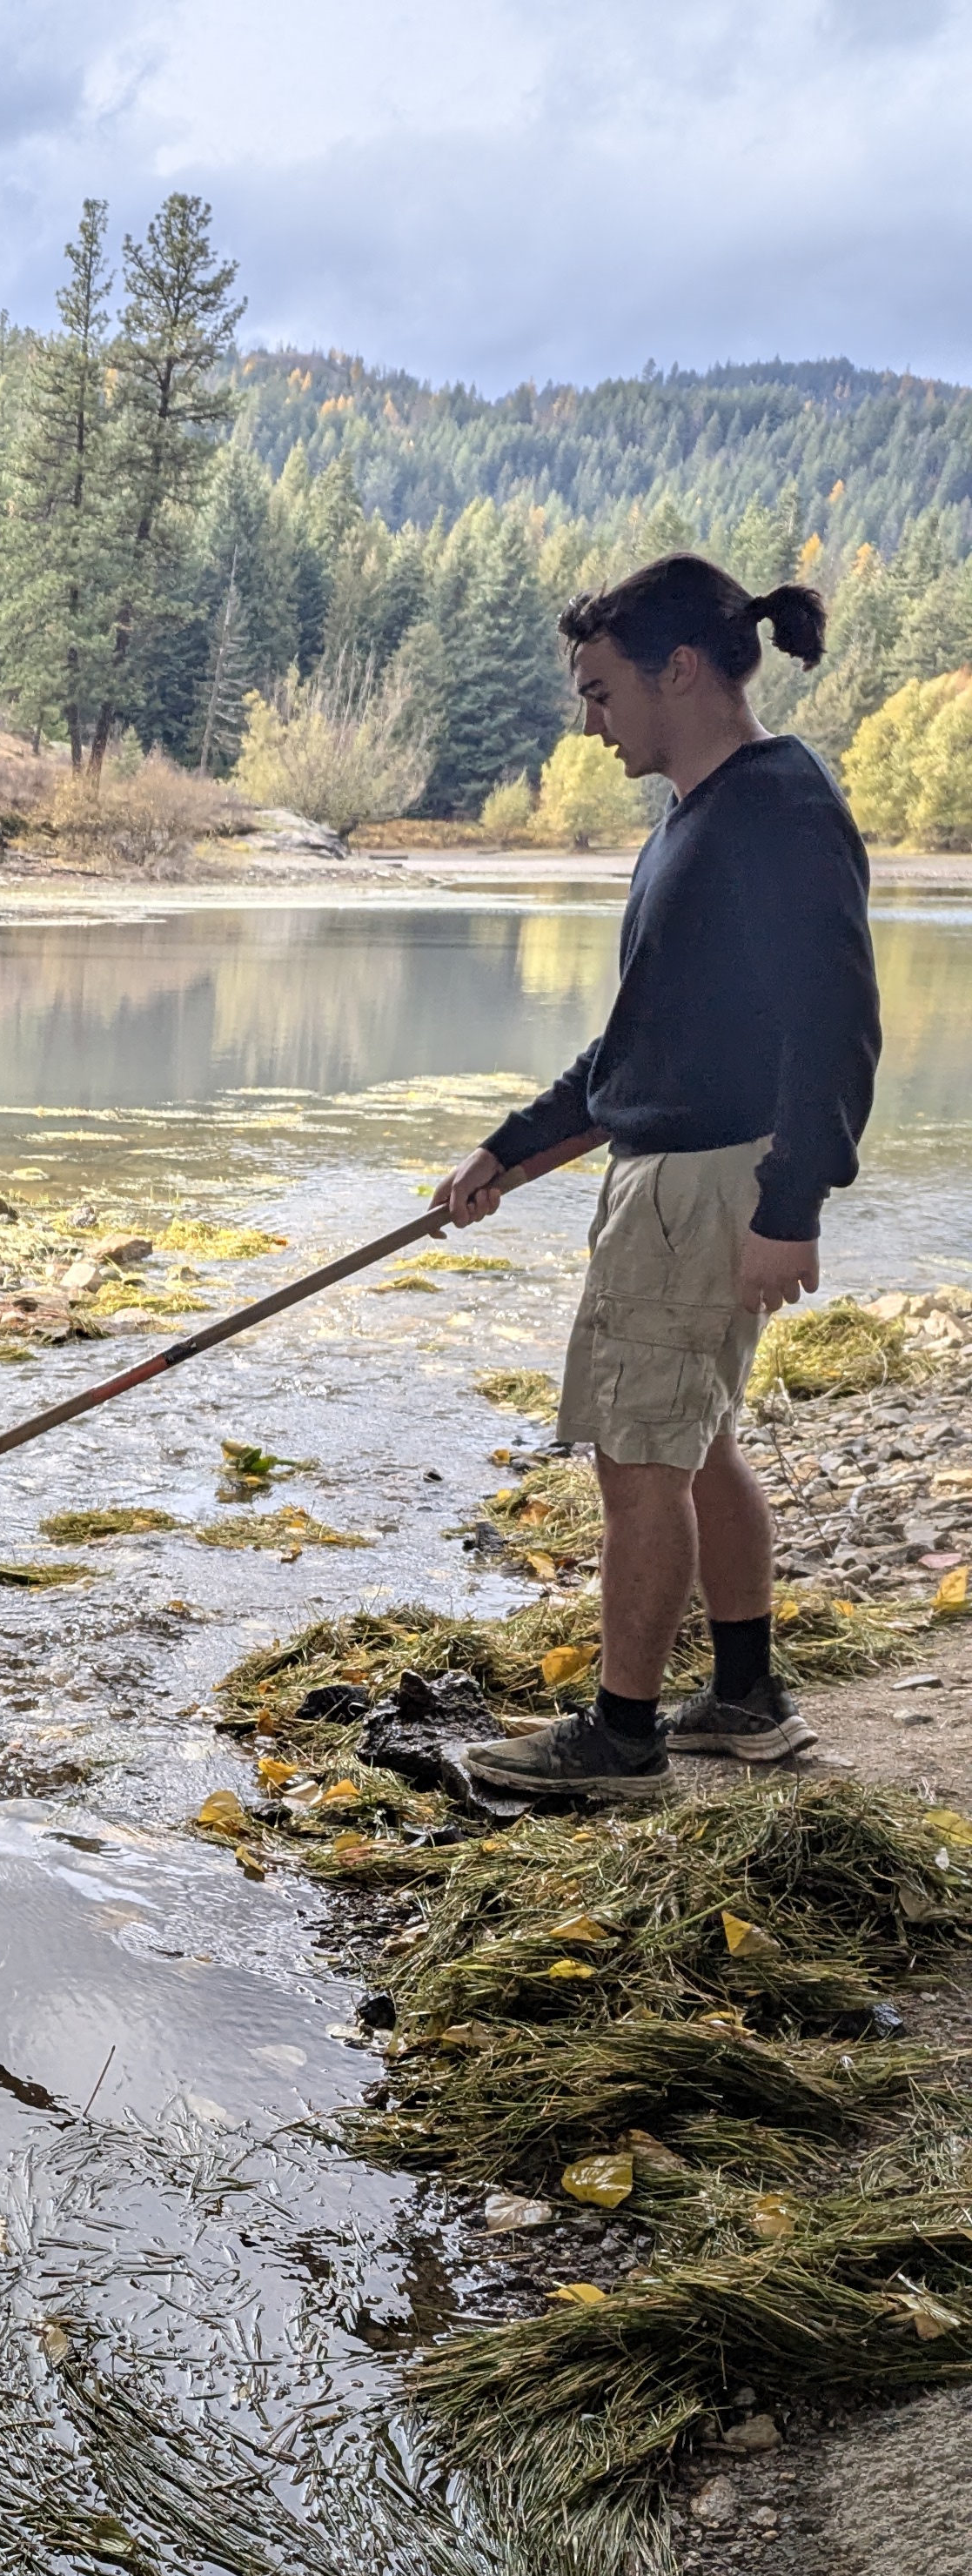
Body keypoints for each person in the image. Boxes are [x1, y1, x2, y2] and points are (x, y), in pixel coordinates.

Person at [432, 555, 881, 1803]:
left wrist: (790, 1212)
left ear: (678, 670)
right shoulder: (696, 818)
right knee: (695, 1438)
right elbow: (642, 1049)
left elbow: (836, 1023)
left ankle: (622, 1739)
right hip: (675, 1175)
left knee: (638, 1458)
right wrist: (509, 1150)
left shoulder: (778, 809)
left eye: (599, 690)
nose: (589, 721)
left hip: (704, 1190)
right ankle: (744, 1697)